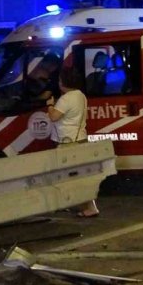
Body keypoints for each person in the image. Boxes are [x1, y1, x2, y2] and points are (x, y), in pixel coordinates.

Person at [46, 67, 98, 218]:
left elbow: (54, 117)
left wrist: (50, 105)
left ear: (64, 82)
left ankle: (90, 207)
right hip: (78, 139)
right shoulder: (80, 95)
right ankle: (71, 203)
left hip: (68, 143)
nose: (58, 82)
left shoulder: (66, 99)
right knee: (75, 176)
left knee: (75, 177)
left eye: (60, 80)